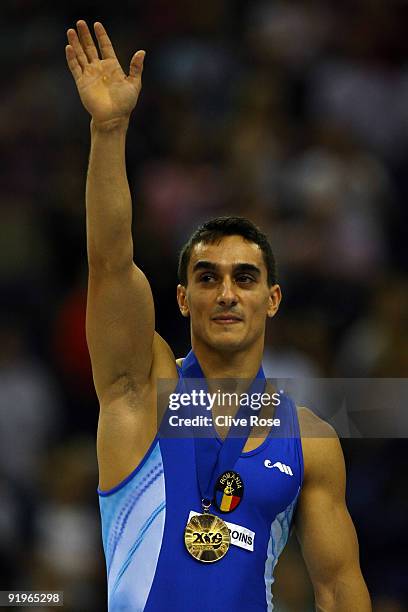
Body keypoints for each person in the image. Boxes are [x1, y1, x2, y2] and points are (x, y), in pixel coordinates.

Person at [65, 20, 372, 612]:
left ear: (272, 300)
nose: (226, 293)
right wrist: (109, 130)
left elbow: (338, 591)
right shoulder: (140, 394)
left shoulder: (311, 441)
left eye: (245, 277)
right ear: (182, 300)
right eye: (207, 277)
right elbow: (109, 263)